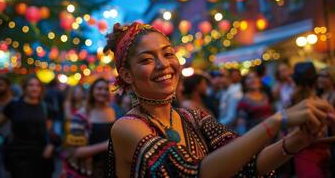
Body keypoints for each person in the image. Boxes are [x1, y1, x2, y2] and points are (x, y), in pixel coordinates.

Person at [103, 22, 335, 177]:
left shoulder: (193, 118)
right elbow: (190, 173)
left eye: (167, 53)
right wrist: (277, 121)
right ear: (126, 75)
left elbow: (248, 163)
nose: (163, 64)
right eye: (146, 60)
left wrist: (297, 140)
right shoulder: (127, 127)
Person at [0, 75, 57, 178]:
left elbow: (49, 130)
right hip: (18, 153)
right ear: (24, 88)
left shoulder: (46, 108)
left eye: (37, 86)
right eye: (31, 85)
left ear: (41, 89)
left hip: (40, 154)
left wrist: (50, 145)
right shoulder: (14, 105)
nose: (34, 88)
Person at [62, 78, 116, 178]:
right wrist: (105, 145)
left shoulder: (112, 111)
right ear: (92, 91)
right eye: (99, 88)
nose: (103, 92)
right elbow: (75, 152)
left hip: (108, 168)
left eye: (105, 89)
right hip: (86, 170)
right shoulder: (81, 115)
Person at [291, 62, 332, 178]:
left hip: (300, 153)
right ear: (315, 80)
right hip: (318, 154)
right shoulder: (320, 103)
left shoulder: (291, 103)